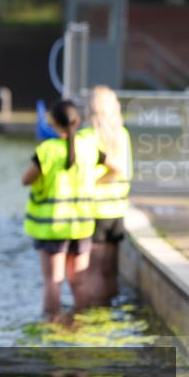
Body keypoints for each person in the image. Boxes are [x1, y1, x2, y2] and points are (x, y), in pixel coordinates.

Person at [22, 100, 120, 321]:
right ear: (78, 121)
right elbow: (115, 169)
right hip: (82, 226)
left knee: (53, 280)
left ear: (53, 122)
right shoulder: (89, 148)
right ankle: (80, 323)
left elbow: (26, 180)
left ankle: (52, 324)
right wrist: (96, 182)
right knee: (79, 280)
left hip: (53, 228)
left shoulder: (47, 151)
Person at [79, 86, 132, 304]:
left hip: (95, 211)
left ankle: (94, 313)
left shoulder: (86, 137)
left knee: (93, 271)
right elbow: (125, 170)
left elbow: (83, 173)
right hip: (117, 210)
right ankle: (109, 316)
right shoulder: (122, 134)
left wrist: (93, 182)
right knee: (110, 270)